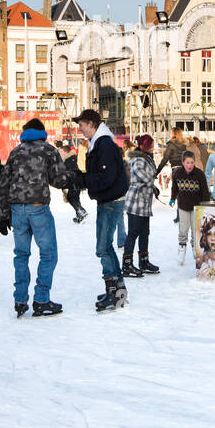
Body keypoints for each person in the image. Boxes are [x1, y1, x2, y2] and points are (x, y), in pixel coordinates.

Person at [0, 118, 72, 316]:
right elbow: (60, 180)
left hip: (16, 210)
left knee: (21, 255)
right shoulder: (48, 150)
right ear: (42, 132)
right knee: (48, 254)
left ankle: (20, 300)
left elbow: (3, 183)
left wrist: (3, 215)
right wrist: (70, 174)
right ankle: (41, 299)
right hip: (38, 209)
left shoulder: (16, 151)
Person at [76, 108, 130, 311]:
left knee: (103, 247)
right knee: (105, 246)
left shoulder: (104, 144)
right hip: (109, 199)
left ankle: (114, 292)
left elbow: (106, 177)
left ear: (91, 124)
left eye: (81, 125)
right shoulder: (99, 143)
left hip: (111, 200)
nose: (80, 129)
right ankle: (118, 290)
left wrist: (82, 179)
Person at [121, 134, 160, 278]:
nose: (151, 147)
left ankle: (144, 261)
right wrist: (152, 183)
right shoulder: (137, 159)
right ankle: (127, 264)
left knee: (145, 232)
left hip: (144, 202)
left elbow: (149, 177)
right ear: (142, 146)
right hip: (136, 201)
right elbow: (141, 176)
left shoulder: (147, 158)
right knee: (133, 233)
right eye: (149, 145)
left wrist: (153, 187)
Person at [170, 151, 211, 264]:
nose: (190, 165)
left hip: (196, 206)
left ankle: (195, 248)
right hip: (183, 206)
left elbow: (205, 191)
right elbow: (174, 187)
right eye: (187, 162)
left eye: (192, 162)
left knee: (195, 229)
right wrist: (172, 198)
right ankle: (182, 247)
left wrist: (205, 205)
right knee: (183, 228)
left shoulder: (199, 174)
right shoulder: (178, 173)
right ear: (183, 162)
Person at [58, 141, 89, 224]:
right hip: (76, 181)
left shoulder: (68, 159)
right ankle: (79, 216)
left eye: (61, 152)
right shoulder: (71, 158)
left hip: (73, 181)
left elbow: (73, 171)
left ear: (65, 152)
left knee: (71, 197)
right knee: (75, 198)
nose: (60, 154)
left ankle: (81, 211)